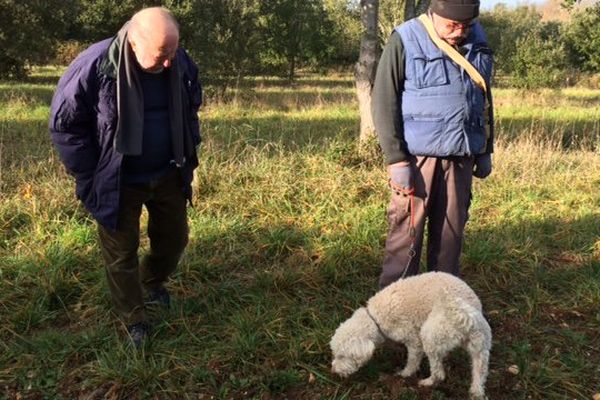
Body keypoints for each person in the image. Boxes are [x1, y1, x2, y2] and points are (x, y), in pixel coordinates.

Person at [49, 7, 202, 347]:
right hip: (118, 180)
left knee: (174, 239)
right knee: (121, 253)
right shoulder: (95, 65)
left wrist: (190, 148)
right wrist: (91, 175)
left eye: (173, 52)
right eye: (161, 54)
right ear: (134, 42)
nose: (168, 62)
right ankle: (134, 318)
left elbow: (191, 107)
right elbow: (64, 126)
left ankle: (153, 282)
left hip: (167, 171)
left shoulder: (180, 61)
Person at [372, 0, 494, 288]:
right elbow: (383, 100)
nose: (459, 32)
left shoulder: (478, 37)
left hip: (462, 155)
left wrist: (486, 148)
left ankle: (442, 304)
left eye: (465, 25)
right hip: (417, 160)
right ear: (433, 13)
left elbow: (484, 98)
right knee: (406, 237)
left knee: (450, 239)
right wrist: (396, 158)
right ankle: (395, 309)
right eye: (452, 25)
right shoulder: (405, 37)